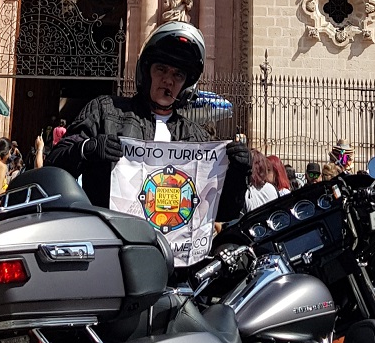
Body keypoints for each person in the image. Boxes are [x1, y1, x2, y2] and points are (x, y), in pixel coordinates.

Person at [49, 22, 251, 218]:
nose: (168, 80)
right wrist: (86, 148)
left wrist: (238, 173)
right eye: (161, 69)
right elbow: (54, 166)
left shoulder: (197, 137)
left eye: (178, 75)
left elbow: (222, 211)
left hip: (171, 249)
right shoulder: (106, 110)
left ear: (187, 86)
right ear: (146, 72)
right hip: (111, 243)